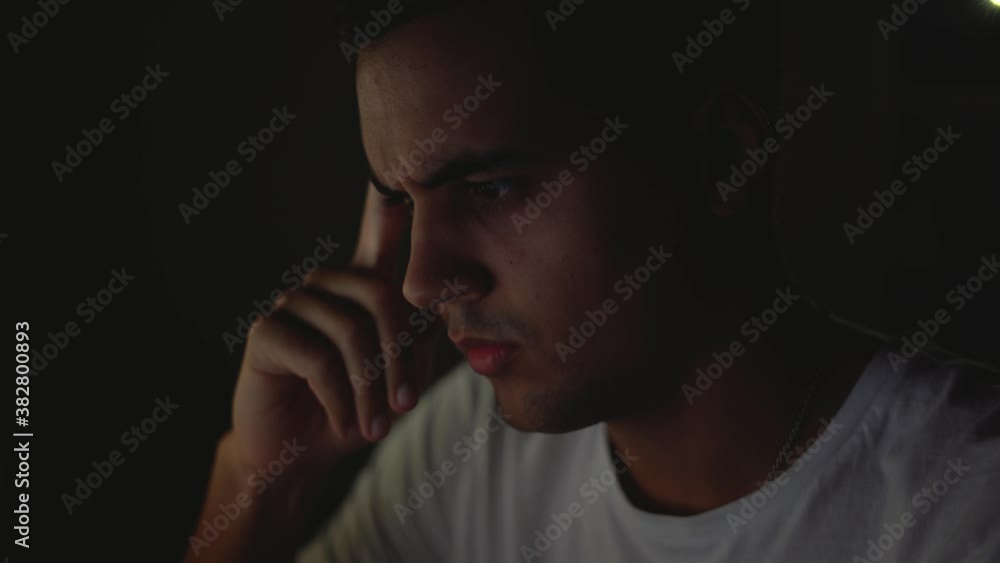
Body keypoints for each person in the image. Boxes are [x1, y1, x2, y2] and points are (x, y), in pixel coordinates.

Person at [183, 1, 1000, 561]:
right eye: (402, 199)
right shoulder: (471, 445)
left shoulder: (965, 509)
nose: (422, 282)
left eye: (492, 187)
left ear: (723, 157)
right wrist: (256, 483)